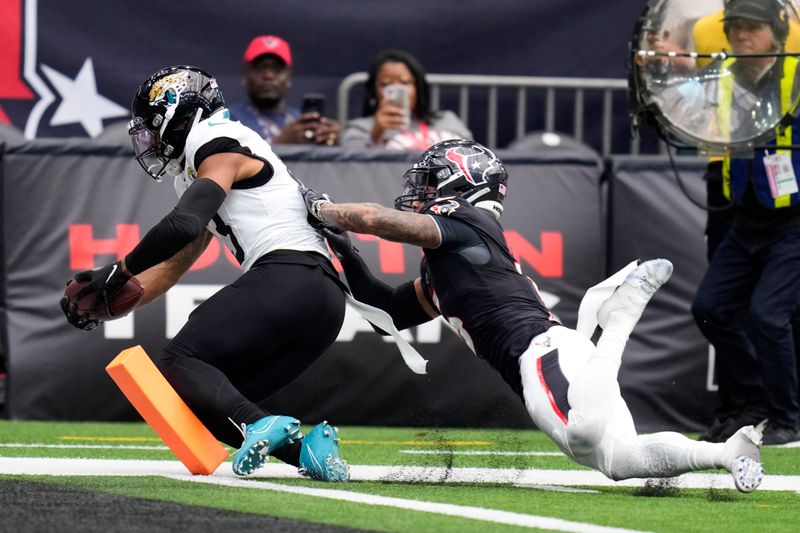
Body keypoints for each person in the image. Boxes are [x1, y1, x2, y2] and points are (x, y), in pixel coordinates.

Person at [301, 138, 766, 493]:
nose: (418, 192)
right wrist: (341, 250)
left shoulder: (466, 224)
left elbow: (379, 220)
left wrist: (323, 210)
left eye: (430, 180)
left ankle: (621, 320)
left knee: (584, 434)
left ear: (460, 182)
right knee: (618, 460)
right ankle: (728, 453)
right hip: (561, 356)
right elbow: (387, 309)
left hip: (540, 352)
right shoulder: (446, 266)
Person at [59, 65, 349, 482]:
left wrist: (118, 270)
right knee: (206, 406)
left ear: (180, 114)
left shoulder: (215, 140)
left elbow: (183, 224)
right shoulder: (205, 164)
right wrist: (119, 297)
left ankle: (259, 423)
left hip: (289, 274)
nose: (151, 140)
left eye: (153, 127)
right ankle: (310, 453)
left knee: (179, 359)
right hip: (322, 302)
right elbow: (175, 262)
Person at [691, 0, 800, 446]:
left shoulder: (796, 74)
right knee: (709, 308)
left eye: (752, 28)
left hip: (793, 219)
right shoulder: (722, 77)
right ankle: (757, 399)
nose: (741, 36)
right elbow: (682, 115)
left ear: (776, 32)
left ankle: (787, 420)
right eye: (734, 27)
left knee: (768, 315)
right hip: (744, 216)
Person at [340, 49, 472, 150]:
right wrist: (375, 135)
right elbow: (353, 171)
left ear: (418, 87)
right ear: (373, 91)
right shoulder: (360, 129)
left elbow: (474, 158)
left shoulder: (447, 120)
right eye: (386, 84)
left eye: (405, 82)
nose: (397, 89)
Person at [228, 35, 342, 146]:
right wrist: (281, 145)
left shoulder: (301, 121)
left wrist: (332, 145)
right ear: (245, 75)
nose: (268, 75)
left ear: (289, 78)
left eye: (277, 69)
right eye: (260, 68)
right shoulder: (229, 120)